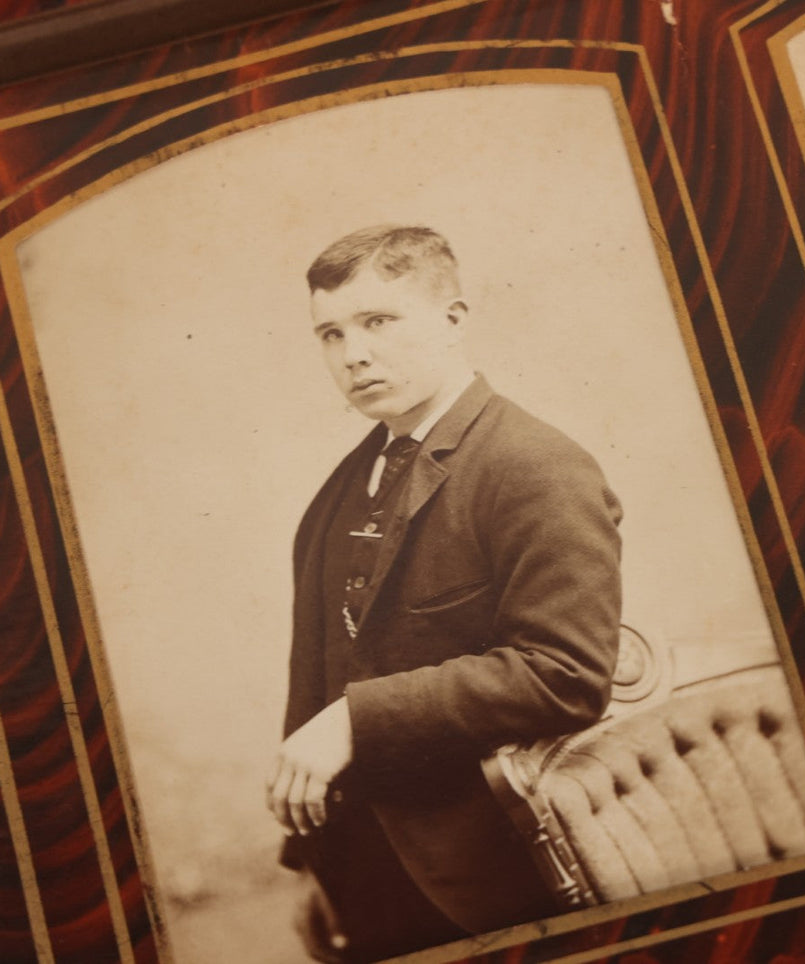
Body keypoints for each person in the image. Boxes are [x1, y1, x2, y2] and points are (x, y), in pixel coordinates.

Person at [264, 225, 623, 962]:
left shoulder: (536, 467)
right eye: (330, 334)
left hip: (493, 878)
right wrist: (315, 864)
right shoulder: (342, 488)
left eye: (377, 321)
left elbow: (565, 674)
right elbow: (321, 675)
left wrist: (355, 723)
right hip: (365, 878)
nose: (352, 353)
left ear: (453, 320)